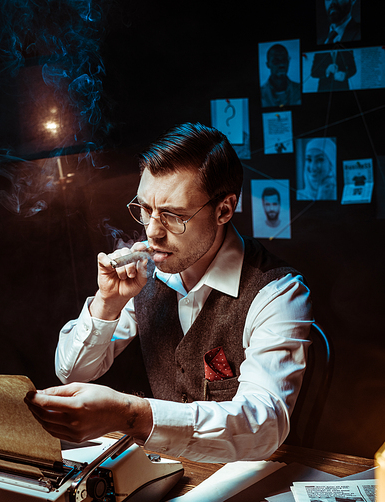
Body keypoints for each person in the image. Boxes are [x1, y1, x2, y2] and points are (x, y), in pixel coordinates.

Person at [25, 123, 313, 463]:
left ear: (224, 209)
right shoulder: (145, 275)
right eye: (146, 209)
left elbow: (265, 425)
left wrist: (130, 414)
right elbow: (73, 373)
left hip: (243, 483)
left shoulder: (278, 292)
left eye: (173, 215)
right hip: (168, 471)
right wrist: (107, 303)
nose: (152, 232)